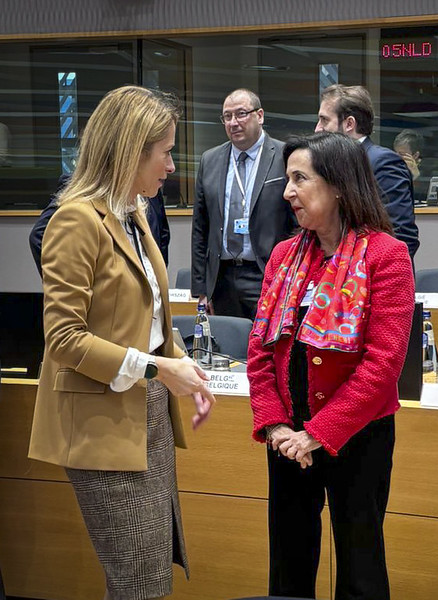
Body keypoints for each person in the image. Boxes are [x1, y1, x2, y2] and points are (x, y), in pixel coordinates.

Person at [27, 85, 216, 600]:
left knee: (150, 577)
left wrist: (183, 370)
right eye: (165, 153)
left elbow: (149, 322)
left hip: (146, 414)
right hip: (101, 426)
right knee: (139, 583)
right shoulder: (75, 220)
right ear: (130, 151)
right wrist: (159, 371)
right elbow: (64, 339)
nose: (172, 166)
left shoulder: (133, 215)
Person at [248, 132, 414, 600]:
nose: (287, 192)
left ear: (339, 185)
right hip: (287, 440)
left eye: (301, 179)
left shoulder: (387, 256)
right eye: (288, 179)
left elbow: (384, 363)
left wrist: (319, 432)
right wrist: (276, 425)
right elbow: (260, 351)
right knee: (289, 561)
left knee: (360, 563)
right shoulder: (283, 256)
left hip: (357, 438)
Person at [191, 88, 294, 319]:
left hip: (267, 273)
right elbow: (200, 228)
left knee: (267, 346)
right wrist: (201, 289)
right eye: (227, 117)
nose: (233, 122)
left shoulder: (284, 155)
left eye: (241, 114)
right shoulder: (210, 159)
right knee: (226, 347)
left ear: (260, 115)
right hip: (222, 278)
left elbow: (296, 222)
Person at [316, 84, 419, 258]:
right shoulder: (328, 165)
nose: (318, 128)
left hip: (375, 277)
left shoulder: (384, 163)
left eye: (324, 120)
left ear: (349, 123)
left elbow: (400, 234)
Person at [30, 175, 171, 275]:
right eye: (165, 152)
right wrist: (67, 277)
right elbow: (39, 234)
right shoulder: (83, 187)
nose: (171, 167)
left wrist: (156, 275)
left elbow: (162, 233)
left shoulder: (151, 191)